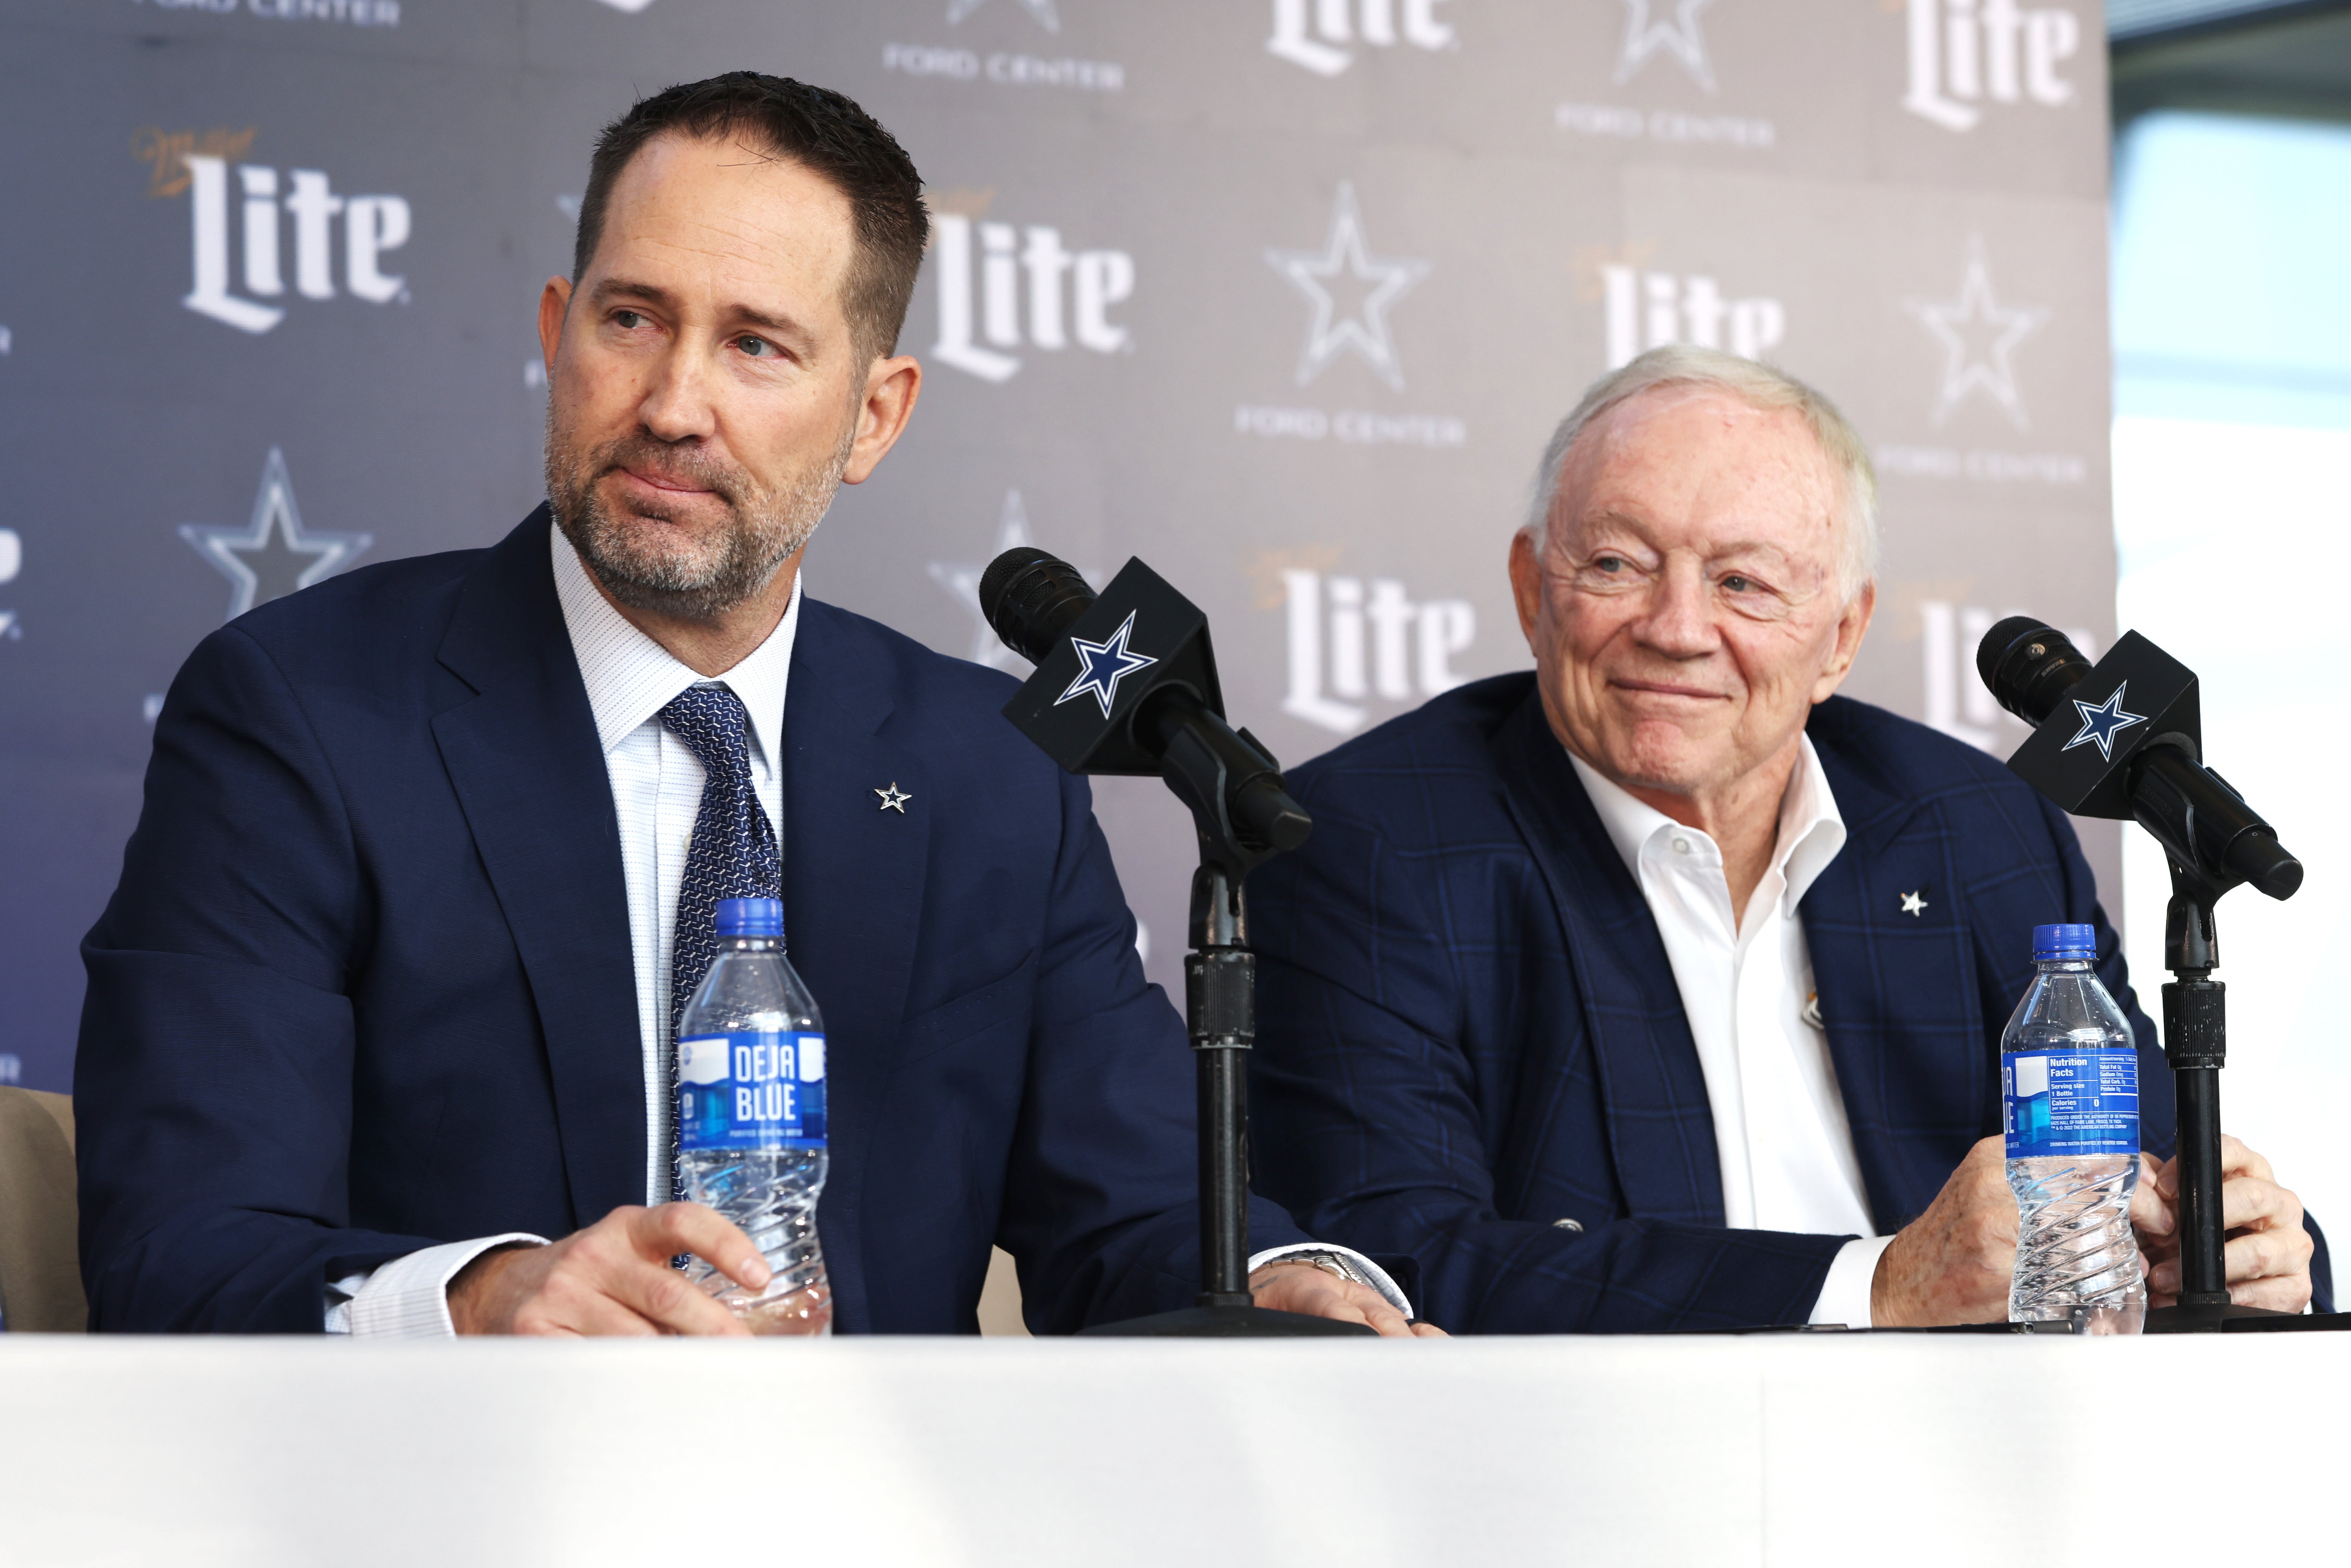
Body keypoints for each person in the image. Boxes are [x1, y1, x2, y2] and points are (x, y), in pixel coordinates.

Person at [76, 73, 1432, 1339]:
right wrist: (486, 1301)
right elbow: (179, 1243)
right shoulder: (304, 713)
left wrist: (1280, 1285)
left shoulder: (988, 773)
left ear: (873, 417)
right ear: (558, 332)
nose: (673, 404)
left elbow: (1136, 1215)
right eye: (632, 319)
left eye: (758, 347)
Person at [1246, 345, 2327, 1332]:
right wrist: (1878, 1285)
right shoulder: (1366, 840)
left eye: (1741, 583)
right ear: (1533, 589)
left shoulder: (1974, 828)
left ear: (1841, 636)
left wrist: (2239, 1254)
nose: (1675, 628)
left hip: (1980, 1476)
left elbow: (2145, 1181)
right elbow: (1389, 1266)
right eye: (1617, 564)